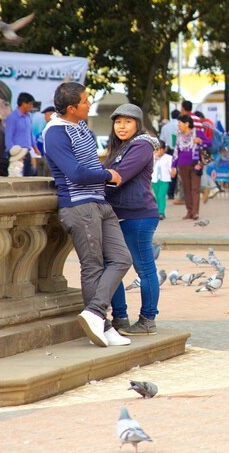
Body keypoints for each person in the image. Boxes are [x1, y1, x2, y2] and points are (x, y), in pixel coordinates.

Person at [42, 81, 132, 348]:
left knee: (121, 259)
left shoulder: (80, 125)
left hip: (99, 202)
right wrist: (108, 175)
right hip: (79, 206)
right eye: (85, 101)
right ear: (71, 108)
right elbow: (75, 173)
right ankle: (101, 324)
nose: (89, 104)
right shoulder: (55, 133)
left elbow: (89, 162)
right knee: (92, 265)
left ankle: (94, 313)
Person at [104, 103, 162, 336]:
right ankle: (120, 318)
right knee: (113, 267)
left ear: (137, 124)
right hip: (118, 215)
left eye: (128, 122)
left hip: (138, 216)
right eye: (118, 122)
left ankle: (148, 320)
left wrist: (84, 176)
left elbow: (118, 177)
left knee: (144, 269)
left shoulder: (141, 146)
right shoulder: (121, 148)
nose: (122, 126)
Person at [170, 114, 209, 220]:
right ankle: (189, 211)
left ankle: (195, 212)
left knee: (195, 189)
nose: (178, 125)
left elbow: (209, 143)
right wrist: (173, 166)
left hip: (196, 164)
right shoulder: (178, 135)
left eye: (180, 123)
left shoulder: (197, 133)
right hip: (182, 165)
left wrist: (200, 141)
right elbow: (176, 151)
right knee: (186, 188)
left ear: (187, 124)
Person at [6, 92, 39, 176]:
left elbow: (30, 134)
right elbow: (8, 137)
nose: (32, 106)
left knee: (28, 177)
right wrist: (14, 153)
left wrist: (35, 148)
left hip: (27, 152)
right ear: (24, 104)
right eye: (30, 104)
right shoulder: (12, 117)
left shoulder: (28, 117)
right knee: (16, 178)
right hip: (16, 154)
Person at [152, 140, 172, 220]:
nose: (158, 151)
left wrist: (173, 172)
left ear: (164, 149)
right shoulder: (152, 158)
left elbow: (171, 168)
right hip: (154, 179)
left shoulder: (168, 158)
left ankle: (161, 212)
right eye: (156, 150)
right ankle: (157, 212)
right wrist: (155, 159)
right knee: (157, 196)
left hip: (164, 179)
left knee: (161, 195)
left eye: (160, 149)